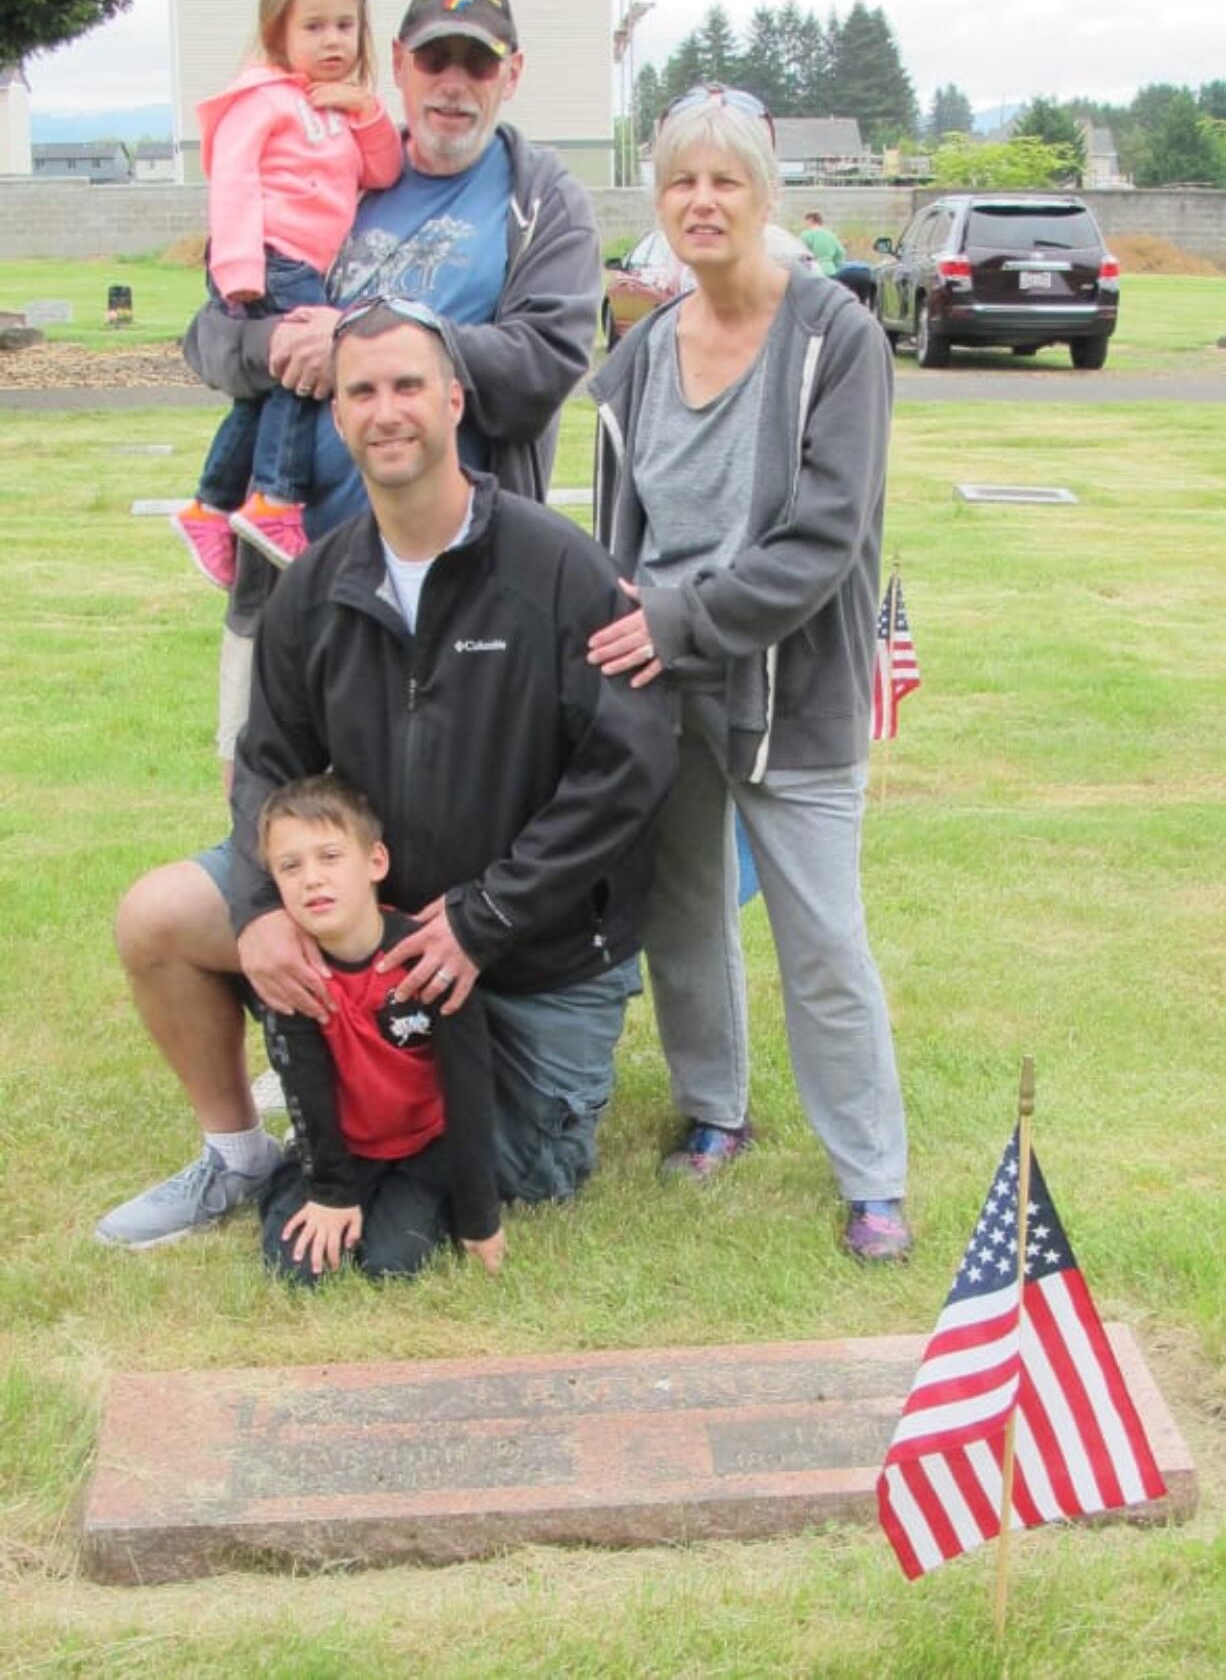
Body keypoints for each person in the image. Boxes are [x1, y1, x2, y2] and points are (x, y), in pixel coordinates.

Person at [97, 300, 676, 1249]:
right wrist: (260, 913)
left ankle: (364, 1084)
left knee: (522, 1179)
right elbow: (267, 767)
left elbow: (632, 763)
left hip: (529, 950)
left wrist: (488, 915)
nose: (386, 410)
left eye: (408, 385)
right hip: (369, 927)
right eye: (361, 390)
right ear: (337, 416)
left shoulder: (559, 569)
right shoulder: (315, 588)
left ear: (455, 401)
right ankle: (242, 1152)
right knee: (156, 918)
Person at [587, 85, 911, 1263]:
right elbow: (614, 539)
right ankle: (714, 1107)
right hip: (662, 687)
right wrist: (625, 647)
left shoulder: (836, 339)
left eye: (727, 180)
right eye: (681, 180)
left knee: (821, 936)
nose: (703, 200)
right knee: (682, 914)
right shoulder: (630, 362)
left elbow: (823, 544)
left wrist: (677, 619)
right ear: (658, 201)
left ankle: (871, 1176)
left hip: (793, 687)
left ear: (767, 197)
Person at [184, 0, 603, 774]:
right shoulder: (329, 165)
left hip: (468, 600)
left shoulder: (542, 200)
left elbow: (542, 366)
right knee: (285, 844)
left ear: (511, 75)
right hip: (295, 580)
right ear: (399, 61)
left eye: (477, 64)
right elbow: (209, 340)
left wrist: (361, 339)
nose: (453, 85)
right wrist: (271, 347)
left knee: (450, 839)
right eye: (434, 59)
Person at [173, 0, 403, 586]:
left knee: (273, 384)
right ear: (279, 33)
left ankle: (212, 504)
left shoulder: (337, 108)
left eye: (344, 26)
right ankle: (275, 497)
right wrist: (239, 268)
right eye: (314, 27)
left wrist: (365, 109)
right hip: (271, 258)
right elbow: (234, 183)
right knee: (309, 371)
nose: (332, 40)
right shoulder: (263, 100)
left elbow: (382, 170)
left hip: (305, 265)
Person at [256, 774, 504, 1285]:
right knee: (297, 1270)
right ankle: (299, 1185)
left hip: (423, 1148)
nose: (312, 879)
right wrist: (331, 1193)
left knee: (393, 1265)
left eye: (329, 857)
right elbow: (305, 1089)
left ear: (375, 862)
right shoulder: (290, 973)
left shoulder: (429, 955)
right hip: (344, 1146)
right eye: (290, 866)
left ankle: (417, 1205)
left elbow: (470, 1089)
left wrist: (481, 1219)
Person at [799, 209, 846, 278]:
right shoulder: (831, 235)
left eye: (805, 221)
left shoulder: (805, 235)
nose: (805, 224)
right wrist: (834, 265)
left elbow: (801, 254)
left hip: (813, 271)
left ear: (810, 220)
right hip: (830, 270)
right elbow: (841, 252)